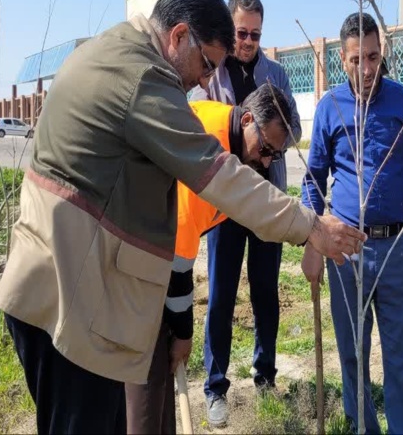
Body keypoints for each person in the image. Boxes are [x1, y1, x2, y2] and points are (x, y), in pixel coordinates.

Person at [0, 0, 365, 435]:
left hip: (64, 292)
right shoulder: (145, 79)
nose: (205, 81)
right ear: (178, 35)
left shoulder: (116, 48)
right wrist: (310, 226)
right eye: (206, 64)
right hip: (68, 302)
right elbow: (219, 176)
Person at [301, 11, 403, 434]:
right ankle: (363, 426)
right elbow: (313, 180)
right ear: (341, 60)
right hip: (346, 251)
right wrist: (313, 243)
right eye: (356, 59)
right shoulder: (330, 108)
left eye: (373, 57)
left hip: (397, 247)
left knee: (401, 356)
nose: (366, 69)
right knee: (353, 353)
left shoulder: (401, 100)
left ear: (382, 55)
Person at [125, 85, 293, 434]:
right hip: (135, 252)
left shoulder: (234, 144)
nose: (265, 161)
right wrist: (183, 332)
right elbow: (180, 261)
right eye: (264, 149)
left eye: (274, 156)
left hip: (155, 247)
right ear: (247, 119)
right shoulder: (212, 154)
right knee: (144, 382)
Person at [189, 0, 300, 427]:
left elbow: (288, 132)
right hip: (223, 205)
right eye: (242, 32)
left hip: (266, 201)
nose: (248, 41)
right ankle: (215, 385)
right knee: (220, 294)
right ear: (230, 28)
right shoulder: (210, 74)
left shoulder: (277, 74)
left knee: (266, 293)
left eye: (255, 33)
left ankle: (265, 375)